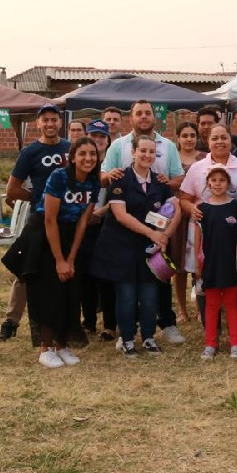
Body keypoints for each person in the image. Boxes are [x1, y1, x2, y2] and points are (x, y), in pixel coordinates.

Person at [101, 99, 186, 345]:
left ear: (154, 117)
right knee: (126, 291)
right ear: (132, 118)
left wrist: (164, 234)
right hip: (126, 230)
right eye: (139, 113)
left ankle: (161, 327)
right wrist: (109, 176)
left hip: (158, 224)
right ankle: (127, 333)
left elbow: (177, 180)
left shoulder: (168, 146)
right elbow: (103, 176)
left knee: (156, 284)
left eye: (148, 113)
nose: (144, 117)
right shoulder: (118, 146)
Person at [90, 135, 182, 357]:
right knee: (127, 295)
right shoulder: (120, 180)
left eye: (152, 152)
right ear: (133, 152)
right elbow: (121, 216)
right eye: (143, 151)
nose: (147, 155)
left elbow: (176, 209)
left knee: (150, 295)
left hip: (150, 250)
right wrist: (153, 233)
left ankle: (149, 337)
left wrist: (165, 236)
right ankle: (128, 339)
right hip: (123, 247)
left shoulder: (160, 182)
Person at [13, 138, 100, 368]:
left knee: (70, 289)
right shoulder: (59, 176)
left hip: (72, 235)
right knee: (48, 289)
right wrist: (59, 259)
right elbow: (50, 219)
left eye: (92, 154)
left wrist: (70, 258)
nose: (88, 158)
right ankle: (46, 347)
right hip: (45, 233)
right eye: (82, 154)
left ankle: (63, 345)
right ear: (72, 157)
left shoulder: (93, 182)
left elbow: (83, 222)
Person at [0, 103, 71, 343]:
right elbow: (11, 189)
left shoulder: (70, 148)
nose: (50, 124)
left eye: (54, 119)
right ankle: (11, 320)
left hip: (67, 218)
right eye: (45, 120)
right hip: (39, 218)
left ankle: (63, 322)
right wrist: (39, 198)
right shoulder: (29, 152)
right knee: (26, 270)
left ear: (60, 123)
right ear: (38, 124)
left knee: (62, 270)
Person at [179, 125, 237, 329]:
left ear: (231, 140)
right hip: (205, 235)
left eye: (224, 137)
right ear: (208, 141)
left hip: (233, 236)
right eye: (215, 138)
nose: (220, 141)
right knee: (204, 280)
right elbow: (184, 198)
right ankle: (211, 328)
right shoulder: (197, 168)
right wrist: (191, 209)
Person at [195, 164, 237, 360]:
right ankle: (211, 343)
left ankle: (235, 343)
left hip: (231, 265)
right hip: (210, 265)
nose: (218, 184)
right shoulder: (201, 209)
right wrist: (197, 266)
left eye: (222, 180)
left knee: (232, 304)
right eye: (214, 180)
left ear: (228, 183)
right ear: (208, 183)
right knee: (211, 306)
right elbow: (197, 241)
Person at [80, 120, 116, 342]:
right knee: (84, 276)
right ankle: (89, 321)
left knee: (106, 278)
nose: (98, 140)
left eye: (101, 137)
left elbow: (118, 200)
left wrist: (98, 214)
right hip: (83, 227)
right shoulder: (80, 165)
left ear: (107, 140)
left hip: (106, 226)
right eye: (93, 136)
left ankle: (110, 324)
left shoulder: (112, 167)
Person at [171, 122, 203, 324]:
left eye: (192, 135)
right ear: (178, 138)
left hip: (199, 216)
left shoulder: (204, 158)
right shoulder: (172, 158)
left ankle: (201, 308)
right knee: (179, 265)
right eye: (185, 135)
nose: (189, 139)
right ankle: (182, 310)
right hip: (176, 217)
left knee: (199, 263)